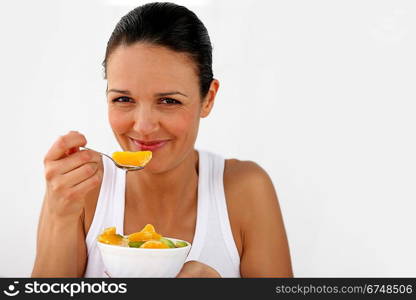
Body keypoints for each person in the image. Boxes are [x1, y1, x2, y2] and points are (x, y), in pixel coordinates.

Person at [32, 2, 293, 278]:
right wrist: (60, 216)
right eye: (123, 99)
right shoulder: (79, 193)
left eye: (169, 101)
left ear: (209, 99)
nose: (143, 127)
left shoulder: (245, 191)